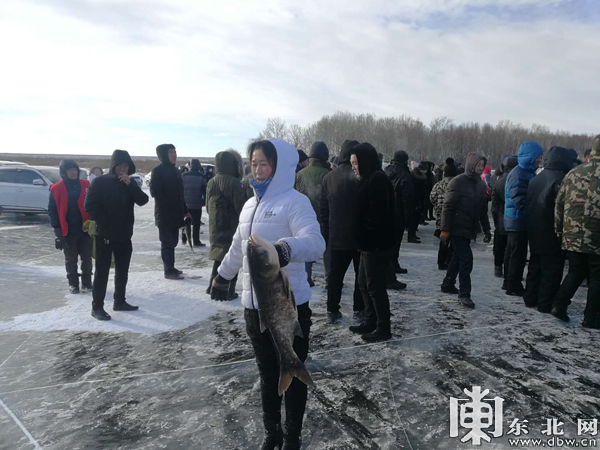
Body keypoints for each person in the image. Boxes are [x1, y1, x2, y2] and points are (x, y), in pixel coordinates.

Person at [210, 139, 324, 449]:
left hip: (290, 307)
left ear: (280, 165)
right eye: (254, 163)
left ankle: (292, 438)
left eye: (264, 163)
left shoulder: (295, 202)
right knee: (267, 373)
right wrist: (222, 276)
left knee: (294, 370)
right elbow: (238, 246)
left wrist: (287, 248)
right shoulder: (249, 204)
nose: (258, 170)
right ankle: (272, 434)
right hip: (254, 308)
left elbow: (315, 242)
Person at [84, 150, 149, 321]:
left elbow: (143, 200)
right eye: (119, 165)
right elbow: (89, 206)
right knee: (102, 272)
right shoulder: (100, 182)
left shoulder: (129, 183)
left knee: (122, 271)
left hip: (124, 234)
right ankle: (97, 307)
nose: (122, 169)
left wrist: (130, 185)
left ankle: (119, 301)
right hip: (104, 234)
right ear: (113, 166)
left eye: (126, 166)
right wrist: (105, 223)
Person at [551, 136, 600, 328]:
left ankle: (559, 306)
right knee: (597, 278)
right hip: (597, 237)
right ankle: (591, 318)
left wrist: (559, 231)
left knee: (575, 271)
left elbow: (559, 204)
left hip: (572, 234)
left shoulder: (573, 173)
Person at [348, 143, 395, 343]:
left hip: (376, 245)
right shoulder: (369, 178)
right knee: (363, 284)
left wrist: (366, 236)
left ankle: (383, 327)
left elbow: (379, 216)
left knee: (375, 287)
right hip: (367, 244)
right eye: (352, 164)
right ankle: (371, 320)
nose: (354, 167)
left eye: (356, 163)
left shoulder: (377, 179)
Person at [524, 147, 576, 312]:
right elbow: (563, 209)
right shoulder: (561, 180)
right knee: (551, 270)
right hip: (552, 231)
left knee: (535, 265)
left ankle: (530, 297)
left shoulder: (537, 178)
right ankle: (545, 303)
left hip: (534, 229)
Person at [440, 153, 492, 308]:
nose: (480, 168)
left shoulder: (481, 185)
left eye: (482, 165)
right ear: (471, 165)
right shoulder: (458, 182)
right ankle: (464, 294)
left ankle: (447, 284)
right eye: (478, 165)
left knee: (458, 256)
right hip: (456, 227)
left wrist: (487, 229)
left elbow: (483, 210)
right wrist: (445, 229)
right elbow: (447, 207)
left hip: (469, 228)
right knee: (466, 259)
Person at [321, 140, 363, 324]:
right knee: (360, 276)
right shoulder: (361, 175)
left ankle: (332, 308)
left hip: (336, 235)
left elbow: (324, 210)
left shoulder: (329, 177)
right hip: (360, 235)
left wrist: (326, 233)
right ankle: (359, 308)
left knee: (335, 276)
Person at [504, 141, 544, 296]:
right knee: (517, 254)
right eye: (538, 157)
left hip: (519, 219)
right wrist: (533, 213)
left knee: (514, 253)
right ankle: (513, 285)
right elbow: (519, 198)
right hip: (517, 220)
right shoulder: (519, 173)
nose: (540, 160)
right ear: (530, 157)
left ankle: (509, 281)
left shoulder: (527, 172)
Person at [205, 150, 246, 301]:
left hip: (215, 225)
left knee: (218, 257)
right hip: (232, 226)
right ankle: (229, 291)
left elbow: (208, 207)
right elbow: (241, 208)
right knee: (231, 258)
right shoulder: (235, 183)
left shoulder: (211, 182)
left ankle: (212, 287)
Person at [48, 159, 93, 294]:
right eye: (70, 170)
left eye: (75, 170)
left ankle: (87, 283)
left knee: (87, 258)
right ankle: (73, 284)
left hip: (85, 229)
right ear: (64, 172)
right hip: (67, 230)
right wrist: (57, 229)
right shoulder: (56, 188)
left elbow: (93, 203)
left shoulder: (86, 185)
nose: (73, 172)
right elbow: (52, 210)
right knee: (71, 259)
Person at [150, 143, 189, 280]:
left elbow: (181, 194)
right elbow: (154, 192)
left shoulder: (177, 171)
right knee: (167, 243)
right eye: (171, 152)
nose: (174, 155)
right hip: (164, 214)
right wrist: (169, 201)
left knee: (173, 242)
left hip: (176, 214)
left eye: (175, 152)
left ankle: (171, 267)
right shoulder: (158, 171)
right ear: (164, 155)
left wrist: (185, 210)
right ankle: (168, 271)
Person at [295, 141, 330, 287]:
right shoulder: (328, 174)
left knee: (307, 248)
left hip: (304, 218)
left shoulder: (299, 175)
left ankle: (306, 277)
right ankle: (330, 278)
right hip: (324, 218)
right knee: (327, 248)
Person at [384, 149, 414, 274]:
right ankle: (393, 264)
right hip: (398, 212)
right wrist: (409, 218)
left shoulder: (385, 171)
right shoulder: (405, 175)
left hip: (385, 211)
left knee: (386, 240)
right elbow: (408, 198)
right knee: (396, 241)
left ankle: (387, 264)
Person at [491, 156, 518, 280]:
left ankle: (497, 268)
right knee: (511, 248)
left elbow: (494, 204)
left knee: (500, 245)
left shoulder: (499, 182)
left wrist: (496, 218)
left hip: (501, 217)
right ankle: (509, 272)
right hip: (514, 218)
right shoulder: (517, 180)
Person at [430, 159, 458, 270]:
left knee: (443, 239)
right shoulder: (457, 185)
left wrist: (437, 206)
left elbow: (432, 198)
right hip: (453, 215)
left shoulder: (438, 185)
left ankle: (440, 261)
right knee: (453, 239)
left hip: (440, 215)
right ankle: (448, 259)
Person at [182, 159, 208, 247]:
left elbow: (181, 188)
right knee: (196, 223)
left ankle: (184, 238)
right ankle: (196, 241)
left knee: (186, 221)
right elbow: (205, 189)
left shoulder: (184, 175)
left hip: (185, 203)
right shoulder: (202, 176)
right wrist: (205, 200)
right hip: (197, 203)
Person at [408, 161, 427, 243]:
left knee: (415, 220)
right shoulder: (416, 177)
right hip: (416, 201)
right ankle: (411, 236)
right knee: (414, 220)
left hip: (418, 200)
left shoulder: (416, 175)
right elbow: (416, 191)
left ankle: (412, 234)